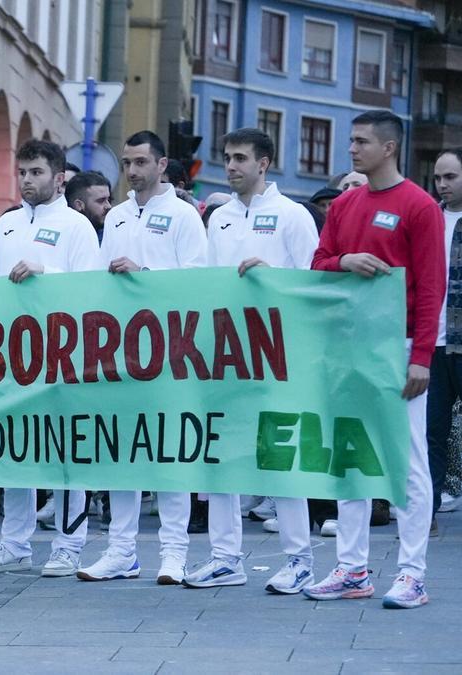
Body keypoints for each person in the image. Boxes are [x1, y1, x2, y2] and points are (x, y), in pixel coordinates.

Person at [305, 110, 445, 609]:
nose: (351, 149)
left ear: (389, 147)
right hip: (348, 347)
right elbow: (318, 265)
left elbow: (431, 288)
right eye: (351, 141)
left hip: (399, 347)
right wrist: (344, 260)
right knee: (349, 454)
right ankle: (351, 568)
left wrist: (421, 357)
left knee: (407, 460)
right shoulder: (344, 205)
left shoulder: (420, 207)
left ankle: (413, 574)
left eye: (361, 141)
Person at [182, 128, 319, 593]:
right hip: (224, 352)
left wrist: (272, 278)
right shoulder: (218, 218)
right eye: (226, 157)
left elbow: (313, 284)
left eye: (240, 157)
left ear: (264, 163)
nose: (231, 165)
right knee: (221, 455)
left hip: (278, 354)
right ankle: (225, 558)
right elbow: (204, 282)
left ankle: (300, 559)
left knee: (277, 457)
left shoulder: (293, 216)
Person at [78, 131, 206, 585]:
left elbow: (197, 283)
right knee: (121, 452)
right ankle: (121, 550)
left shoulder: (184, 216)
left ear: (161, 164)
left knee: (170, 451)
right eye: (126, 162)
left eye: (139, 162)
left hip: (170, 350)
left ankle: (174, 552)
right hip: (119, 349)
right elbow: (97, 279)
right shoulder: (114, 218)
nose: (130, 170)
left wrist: (145, 274)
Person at [0, 139, 99, 577]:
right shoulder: (5, 224)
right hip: (11, 352)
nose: (27, 180)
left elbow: (91, 289)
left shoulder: (77, 226)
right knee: (15, 449)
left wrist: (48, 273)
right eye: (22, 172)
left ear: (60, 178)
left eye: (37, 172)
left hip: (63, 353)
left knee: (65, 451)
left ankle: (69, 544)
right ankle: (14, 541)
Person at [428, 147, 462, 527]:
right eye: (438, 178)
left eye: (451, 177)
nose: (442, 185)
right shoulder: (427, 219)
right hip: (431, 343)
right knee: (430, 433)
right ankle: (426, 515)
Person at [65, 171, 112, 239]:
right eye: (101, 201)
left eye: (108, 199)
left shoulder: (113, 236)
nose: (108, 206)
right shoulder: (63, 236)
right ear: (79, 205)